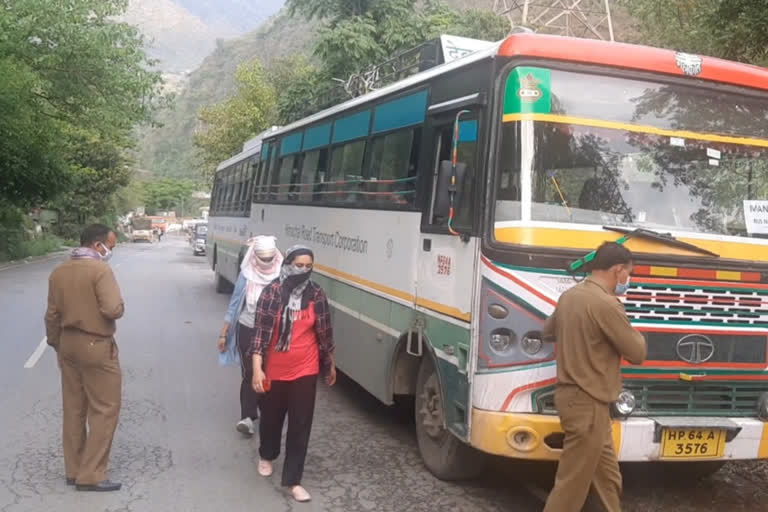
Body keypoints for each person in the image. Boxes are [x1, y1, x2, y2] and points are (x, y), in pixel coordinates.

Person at [541, 242, 647, 512]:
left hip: (582, 403)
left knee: (608, 479)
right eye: (628, 273)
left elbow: (548, 332)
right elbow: (637, 352)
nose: (627, 280)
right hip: (586, 402)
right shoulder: (607, 304)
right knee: (571, 486)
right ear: (617, 269)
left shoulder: (570, 296)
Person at [250, 245, 336, 503]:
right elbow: (260, 335)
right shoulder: (272, 293)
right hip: (274, 370)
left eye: (308, 266)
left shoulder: (316, 293)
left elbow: (325, 332)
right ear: (287, 263)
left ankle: (293, 480)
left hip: (305, 369)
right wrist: (257, 369)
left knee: (300, 424)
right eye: (298, 265)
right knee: (271, 419)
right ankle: (267, 454)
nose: (303, 270)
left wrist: (331, 363)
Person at [44, 224, 125, 492]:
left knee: (74, 408)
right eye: (110, 247)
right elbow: (113, 309)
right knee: (104, 409)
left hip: (67, 344)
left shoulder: (59, 272)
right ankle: (91, 475)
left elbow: (52, 315)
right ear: (96, 245)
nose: (110, 251)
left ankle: (74, 469)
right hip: (96, 344)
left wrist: (56, 342)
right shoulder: (100, 270)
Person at [218, 236, 283, 436]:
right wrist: (224, 332)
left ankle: (266, 409)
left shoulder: (283, 274)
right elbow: (235, 303)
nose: (266, 262)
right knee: (250, 373)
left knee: (268, 371)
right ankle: (247, 416)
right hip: (247, 328)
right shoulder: (246, 274)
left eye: (269, 258)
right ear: (254, 256)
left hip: (274, 332)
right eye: (262, 258)